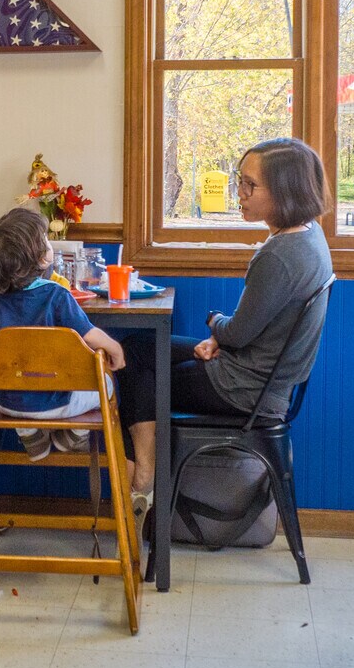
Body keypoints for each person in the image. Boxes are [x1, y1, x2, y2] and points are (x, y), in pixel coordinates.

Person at [118, 138, 334, 512]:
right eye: (240, 181)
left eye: (251, 185)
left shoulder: (279, 256)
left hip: (243, 389)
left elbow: (236, 333)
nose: (240, 193)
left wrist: (214, 323)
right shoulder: (310, 235)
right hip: (262, 378)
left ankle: (143, 476)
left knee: (134, 362)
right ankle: (146, 473)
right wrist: (220, 338)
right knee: (138, 347)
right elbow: (250, 329)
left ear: (284, 191)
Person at [0, 207, 125, 458]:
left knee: (20, 379)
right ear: (42, 258)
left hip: (6, 403)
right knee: (107, 384)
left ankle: (30, 434)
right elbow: (89, 335)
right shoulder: (57, 295)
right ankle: (71, 438)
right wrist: (115, 348)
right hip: (57, 403)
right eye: (45, 239)